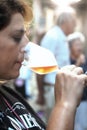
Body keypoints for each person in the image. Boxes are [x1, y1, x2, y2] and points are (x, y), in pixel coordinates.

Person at [0, 0, 87, 130]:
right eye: (17, 36)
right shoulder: (53, 36)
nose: (26, 44)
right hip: (52, 89)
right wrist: (65, 105)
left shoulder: (9, 95)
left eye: (26, 36)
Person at [36, 8, 76, 121]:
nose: (75, 25)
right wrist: (40, 93)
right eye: (73, 21)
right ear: (66, 21)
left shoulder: (62, 37)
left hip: (59, 89)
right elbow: (41, 66)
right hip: (51, 89)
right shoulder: (53, 36)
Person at [68, 32, 87, 130]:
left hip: (84, 99)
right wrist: (78, 63)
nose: (79, 47)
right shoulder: (67, 60)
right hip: (72, 100)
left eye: (81, 45)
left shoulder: (85, 59)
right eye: (77, 45)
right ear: (70, 46)